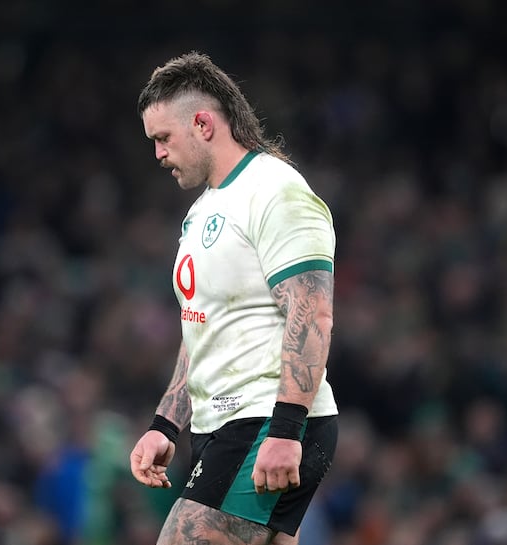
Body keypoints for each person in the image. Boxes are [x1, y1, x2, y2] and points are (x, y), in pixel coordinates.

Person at [129, 51, 339, 545]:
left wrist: (285, 430)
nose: (158, 153)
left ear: (203, 124)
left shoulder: (275, 190)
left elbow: (311, 312)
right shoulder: (202, 211)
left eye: (163, 138)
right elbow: (202, 326)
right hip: (221, 425)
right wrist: (166, 424)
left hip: (263, 420)